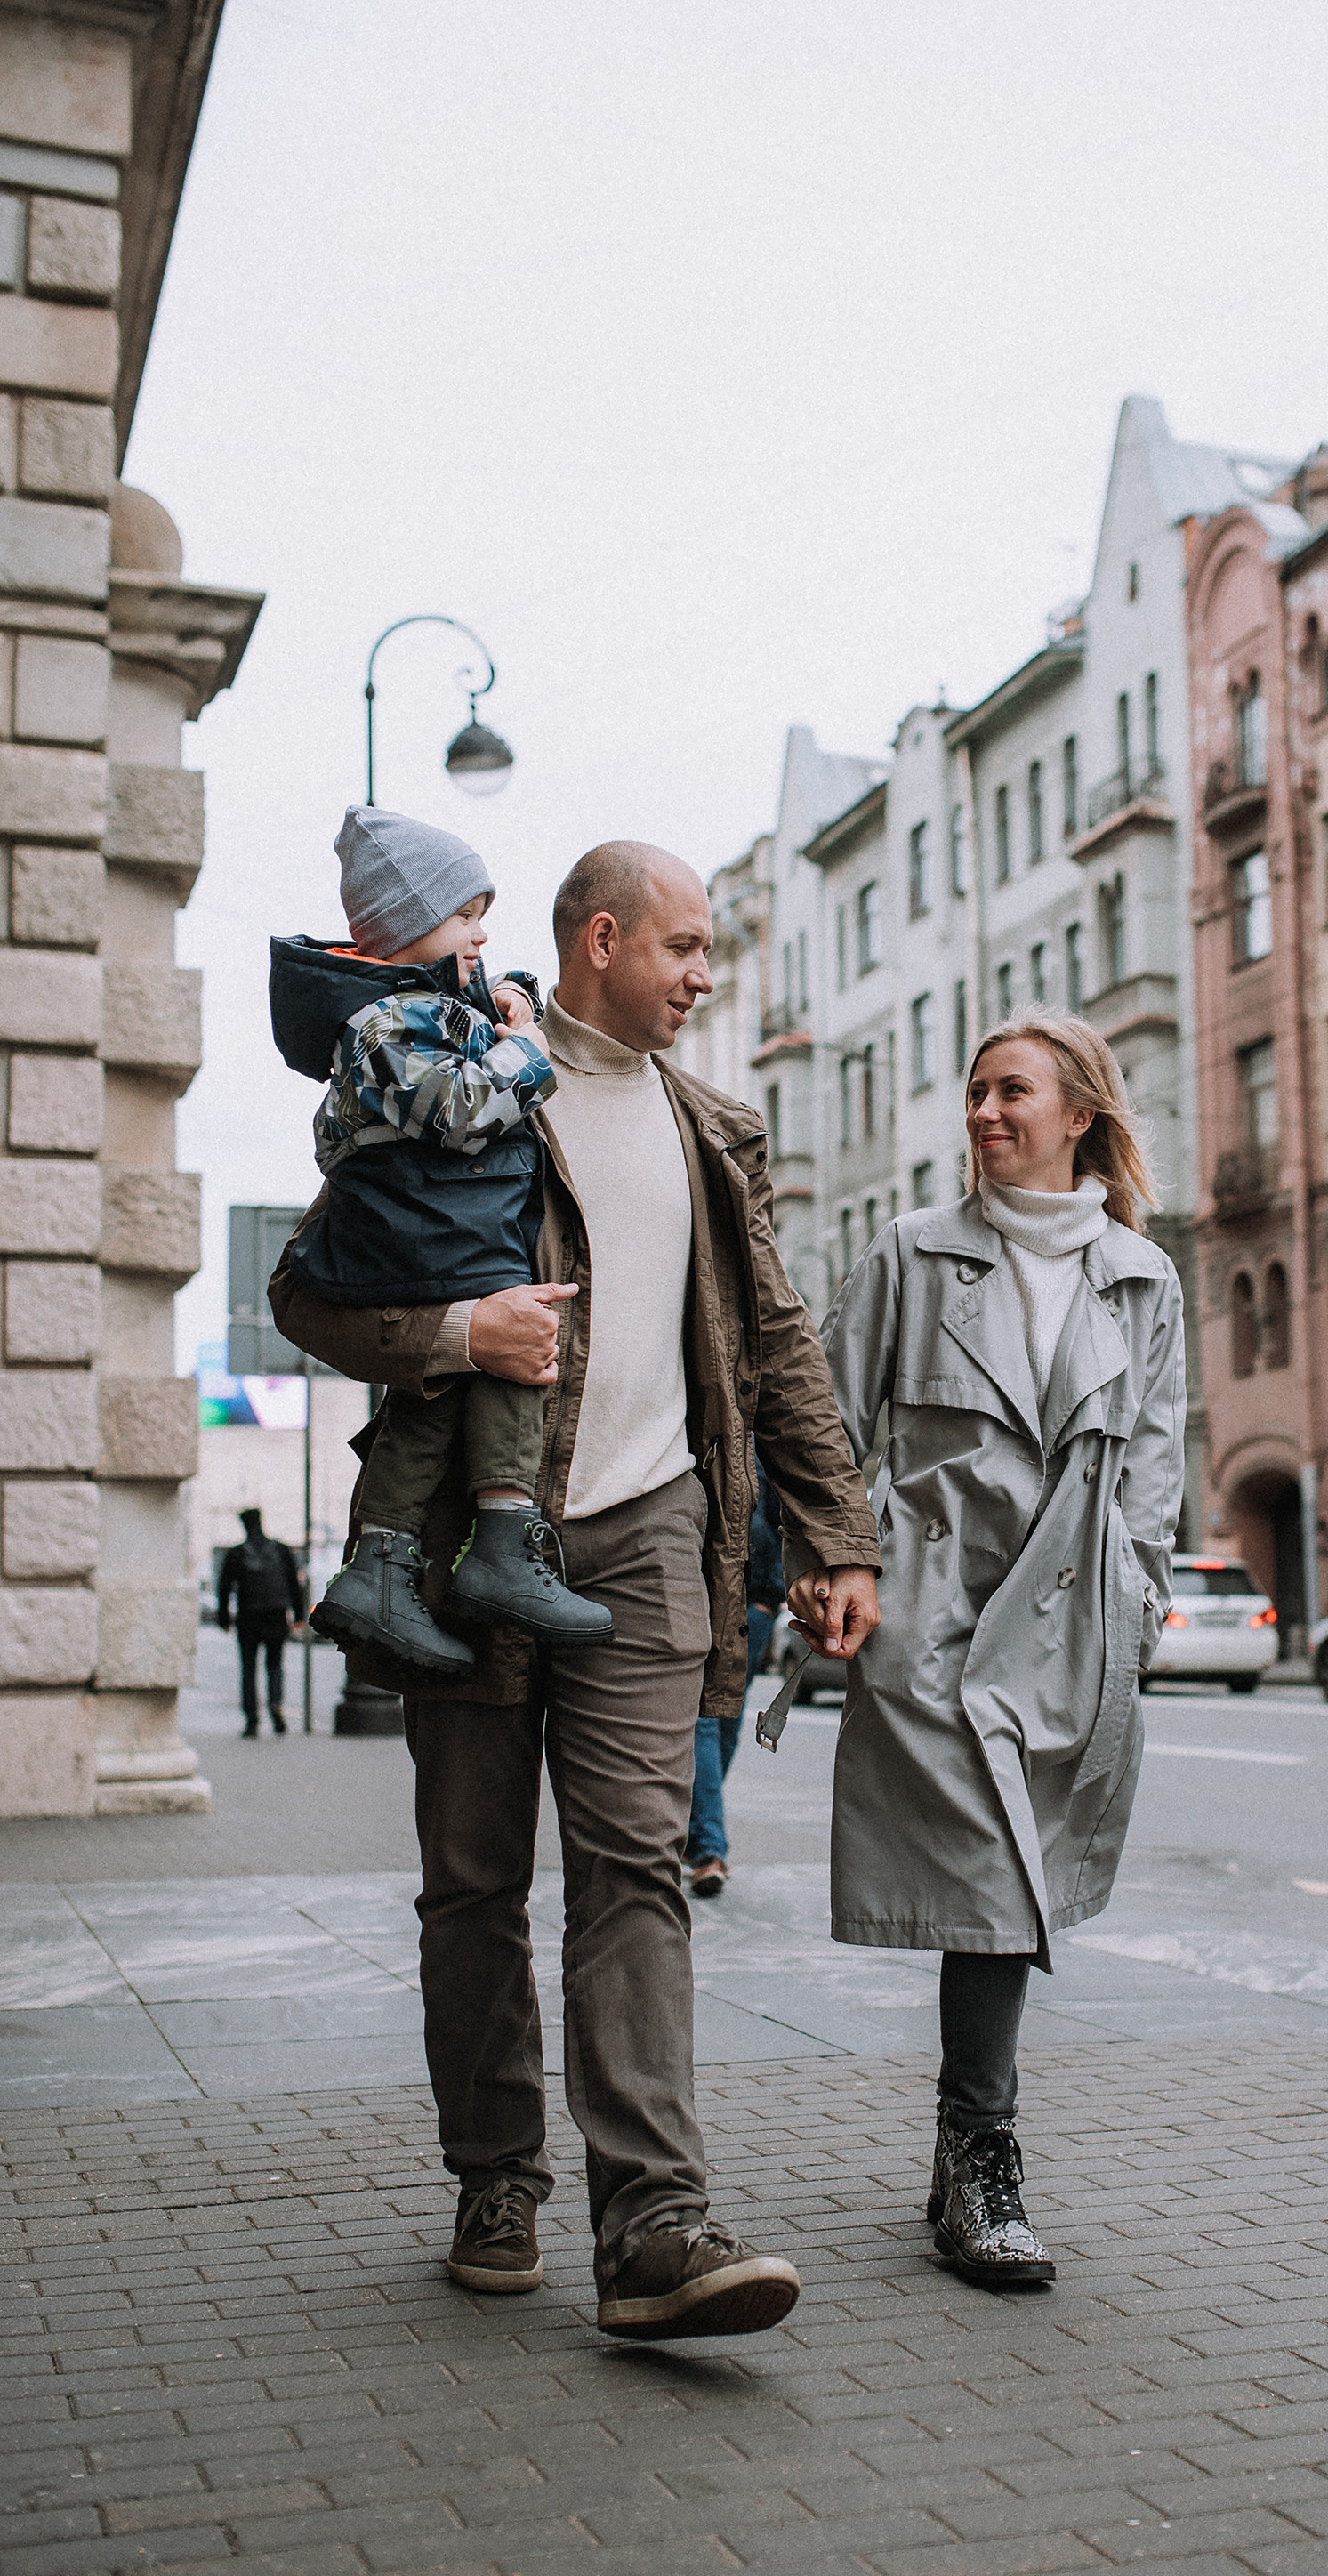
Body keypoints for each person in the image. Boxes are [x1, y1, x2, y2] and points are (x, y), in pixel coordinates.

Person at [270, 840, 881, 2343]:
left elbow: (778, 1344)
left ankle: (654, 2219)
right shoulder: (465, 1083)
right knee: (475, 1880)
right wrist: (452, 1335)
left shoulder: (710, 1130)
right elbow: (308, 1290)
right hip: (490, 1549)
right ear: (597, 940)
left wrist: (834, 1534)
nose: (702, 976)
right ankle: (494, 2175)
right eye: (682, 946)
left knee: (637, 1872)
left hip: (654, 1540)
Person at [817, 1010, 1185, 2291]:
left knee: (1005, 1880)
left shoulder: (1141, 1273)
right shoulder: (912, 1252)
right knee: (990, 1877)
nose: (982, 1113)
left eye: (1009, 1091)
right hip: (936, 1610)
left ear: (1078, 1111)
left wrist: (1138, 1586)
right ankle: (984, 2148)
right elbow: (825, 1417)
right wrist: (840, 1557)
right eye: (974, 1092)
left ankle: (962, 2148)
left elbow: (1152, 1455)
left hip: (1073, 1614)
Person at [270, 805, 613, 1676]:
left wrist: (504, 1001)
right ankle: (494, 1540)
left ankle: (387, 1564)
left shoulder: (418, 1013)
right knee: (507, 1349)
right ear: (404, 925)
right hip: (428, 1240)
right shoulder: (379, 1026)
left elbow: (461, 1046)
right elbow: (458, 1108)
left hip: (439, 1235)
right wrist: (529, 1047)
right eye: (466, 914)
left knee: (447, 1389)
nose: (483, 930)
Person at [686, 1451, 786, 1897]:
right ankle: (709, 1848)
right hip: (706, 1596)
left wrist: (770, 1595)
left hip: (755, 1603)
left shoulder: (766, 1442)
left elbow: (784, 1519)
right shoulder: (700, 1436)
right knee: (705, 1720)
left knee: (728, 1723)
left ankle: (694, 1832)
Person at [216, 1506, 305, 1737]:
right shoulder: (280, 1549)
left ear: (244, 1525)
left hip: (248, 1616)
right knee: (275, 1665)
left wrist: (224, 1618)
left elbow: (224, 1587)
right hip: (276, 1614)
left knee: (248, 1668)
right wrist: (299, 1616)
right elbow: (295, 1585)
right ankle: (276, 1705)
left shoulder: (236, 1553)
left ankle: (252, 1720)